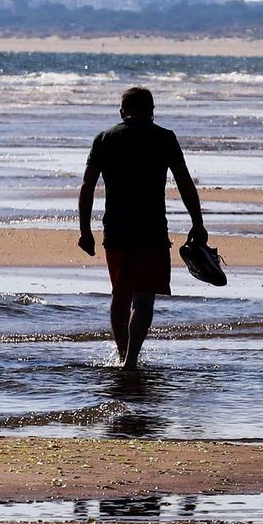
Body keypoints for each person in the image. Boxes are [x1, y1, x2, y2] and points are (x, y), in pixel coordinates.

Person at [78, 87, 207, 370]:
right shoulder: (164, 138)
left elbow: (88, 186)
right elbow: (184, 181)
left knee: (120, 294)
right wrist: (197, 222)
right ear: (152, 111)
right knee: (144, 297)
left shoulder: (104, 138)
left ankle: (122, 353)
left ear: (122, 111)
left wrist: (84, 230)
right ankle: (130, 361)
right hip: (151, 229)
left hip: (116, 229)